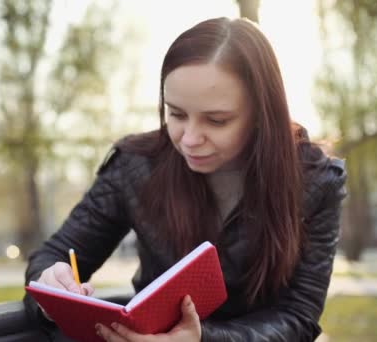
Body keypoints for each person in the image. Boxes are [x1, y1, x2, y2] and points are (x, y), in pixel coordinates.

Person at [24, 17, 347, 342]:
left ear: (263, 113)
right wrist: (49, 285)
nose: (189, 139)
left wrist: (201, 339)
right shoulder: (134, 165)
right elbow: (54, 255)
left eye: (216, 120)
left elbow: (299, 316)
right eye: (176, 114)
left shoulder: (316, 181)